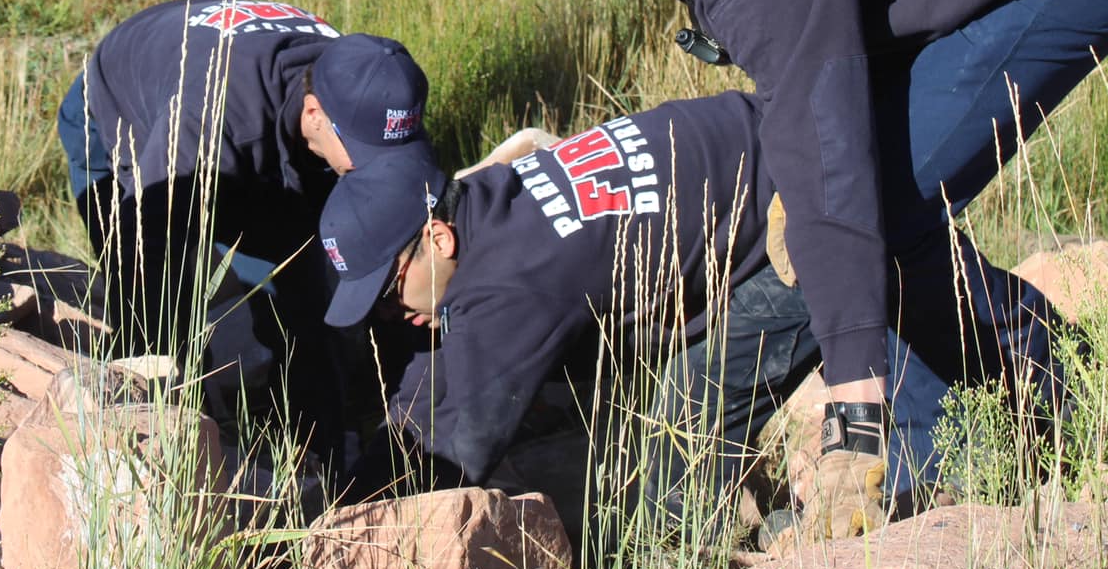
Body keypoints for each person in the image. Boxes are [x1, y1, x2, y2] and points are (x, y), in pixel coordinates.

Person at [485, 0, 1108, 538]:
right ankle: (982, 433)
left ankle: (1050, 414)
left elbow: (829, 138)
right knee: (838, 216)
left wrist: (851, 405)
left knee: (868, 205)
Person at [319, 94, 798, 525]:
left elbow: (462, 449)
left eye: (387, 294)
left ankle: (693, 567)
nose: (388, 315)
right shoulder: (485, 202)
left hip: (803, 207)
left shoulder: (513, 283)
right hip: (770, 125)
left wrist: (364, 531)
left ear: (438, 239)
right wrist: (355, 496)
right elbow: (434, 381)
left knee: (685, 427)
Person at [58, 0, 430, 456]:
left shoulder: (372, 91)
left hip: (255, 121)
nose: (378, 170)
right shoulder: (200, 130)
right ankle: (181, 458)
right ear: (314, 114)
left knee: (308, 291)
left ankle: (320, 449)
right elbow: (148, 258)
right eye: (366, 156)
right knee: (156, 312)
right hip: (125, 112)